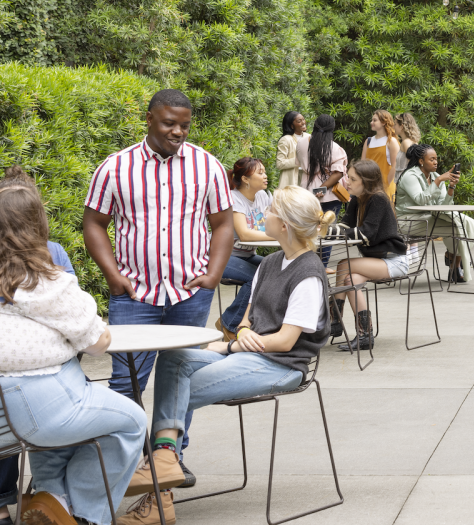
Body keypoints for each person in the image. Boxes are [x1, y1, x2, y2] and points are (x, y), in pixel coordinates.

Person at [117, 186, 332, 525]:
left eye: (271, 210)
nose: (262, 215)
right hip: (252, 354)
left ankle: (160, 484)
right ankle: (165, 461)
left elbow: (285, 342)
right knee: (175, 359)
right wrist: (242, 333)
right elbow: (246, 319)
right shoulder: (272, 261)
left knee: (177, 390)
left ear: (286, 225)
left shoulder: (308, 274)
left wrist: (230, 345)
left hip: (282, 366)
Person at [82, 89, 233, 492]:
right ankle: (126, 464)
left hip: (190, 292)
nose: (177, 131)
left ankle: (170, 461)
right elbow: (94, 223)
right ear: (149, 119)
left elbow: (223, 224)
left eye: (184, 124)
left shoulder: (208, 166)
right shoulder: (115, 167)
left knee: (178, 375)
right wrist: (113, 276)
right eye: (169, 123)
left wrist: (214, 274)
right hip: (133, 295)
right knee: (125, 382)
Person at [1, 167, 148, 525]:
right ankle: (83, 515)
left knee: (60, 439)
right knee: (131, 422)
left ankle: (51, 499)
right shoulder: (49, 281)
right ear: (38, 223)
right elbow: (98, 342)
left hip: (6, 415)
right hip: (44, 401)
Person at [330, 161, 410, 352]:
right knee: (351, 279)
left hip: (393, 260)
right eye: (348, 177)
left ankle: (333, 322)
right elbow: (346, 225)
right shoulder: (358, 198)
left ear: (366, 181)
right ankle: (365, 336)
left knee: (343, 265)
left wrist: (330, 233)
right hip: (377, 260)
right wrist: (328, 230)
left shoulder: (378, 199)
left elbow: (367, 233)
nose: (347, 182)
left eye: (352, 179)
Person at [396, 144, 474, 284]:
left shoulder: (435, 176)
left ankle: (455, 260)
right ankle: (456, 263)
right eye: (432, 159)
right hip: (409, 221)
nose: (436, 162)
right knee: (458, 227)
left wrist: (451, 187)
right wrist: (439, 180)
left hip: (428, 218)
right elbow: (421, 200)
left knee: (463, 223)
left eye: (436, 159)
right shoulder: (410, 176)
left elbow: (445, 206)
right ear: (421, 161)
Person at [215, 158, 275, 340]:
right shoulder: (234, 199)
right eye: (260, 173)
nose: (265, 176)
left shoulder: (264, 196)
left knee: (277, 271)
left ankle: (261, 324)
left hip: (247, 255)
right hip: (223, 257)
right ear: (246, 179)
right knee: (257, 278)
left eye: (264, 172)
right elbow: (244, 234)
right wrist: (279, 236)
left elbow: (277, 222)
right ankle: (229, 324)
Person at [296, 114, 347, 266]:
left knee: (307, 230)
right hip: (329, 195)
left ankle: (306, 264)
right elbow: (338, 173)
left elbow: (299, 163)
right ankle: (322, 266)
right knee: (327, 231)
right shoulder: (335, 148)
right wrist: (322, 189)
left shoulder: (301, 143)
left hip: (306, 191)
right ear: (332, 129)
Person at [361, 109, 401, 204]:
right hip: (368, 186)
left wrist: (385, 185)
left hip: (385, 188)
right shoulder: (368, 141)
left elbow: (395, 166)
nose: (371, 122)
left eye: (375, 120)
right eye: (372, 120)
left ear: (383, 122)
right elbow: (362, 165)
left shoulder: (391, 141)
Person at [275, 111, 309, 188]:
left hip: (307, 177)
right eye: (299, 121)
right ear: (291, 126)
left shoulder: (309, 137)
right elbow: (279, 163)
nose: (303, 122)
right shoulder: (285, 140)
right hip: (292, 179)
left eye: (303, 119)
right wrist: (299, 160)